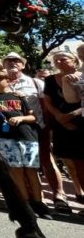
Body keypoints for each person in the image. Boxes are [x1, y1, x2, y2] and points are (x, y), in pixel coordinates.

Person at [0, 69, 52, 219]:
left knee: (31, 170)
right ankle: (25, 203)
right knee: (16, 169)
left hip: (27, 135)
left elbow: (32, 117)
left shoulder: (18, 96)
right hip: (4, 138)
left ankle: (38, 202)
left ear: (8, 81)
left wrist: (21, 119)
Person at [3, 51, 66, 212]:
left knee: (46, 160)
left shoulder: (35, 82)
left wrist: (47, 127)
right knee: (19, 165)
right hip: (11, 130)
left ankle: (59, 196)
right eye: (8, 60)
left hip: (37, 127)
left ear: (23, 65)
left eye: (16, 60)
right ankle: (30, 196)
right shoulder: (0, 84)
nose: (12, 62)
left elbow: (47, 104)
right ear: (4, 65)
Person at [44, 51, 84, 211]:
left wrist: (71, 115)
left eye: (63, 59)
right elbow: (48, 102)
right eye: (56, 60)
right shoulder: (50, 80)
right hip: (62, 125)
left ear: (75, 60)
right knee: (77, 164)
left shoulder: (82, 76)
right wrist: (60, 117)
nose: (59, 62)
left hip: (80, 121)